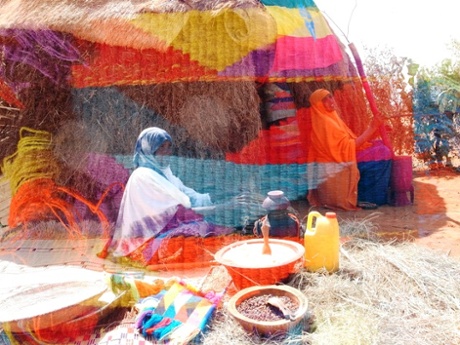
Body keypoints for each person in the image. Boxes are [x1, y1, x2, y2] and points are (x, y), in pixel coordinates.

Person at [106, 127, 233, 265]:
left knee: (209, 228)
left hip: (164, 229)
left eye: (169, 147)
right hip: (145, 241)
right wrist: (223, 208)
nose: (168, 152)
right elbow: (181, 212)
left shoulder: (164, 172)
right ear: (150, 150)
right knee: (197, 231)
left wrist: (225, 196)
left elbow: (189, 195)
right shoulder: (143, 176)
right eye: (162, 147)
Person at [307, 88, 391, 211]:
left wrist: (375, 131)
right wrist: (372, 128)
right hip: (338, 164)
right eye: (325, 100)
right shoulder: (324, 123)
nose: (331, 100)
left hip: (343, 156)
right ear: (318, 105)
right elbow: (348, 147)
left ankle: (371, 192)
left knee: (378, 145)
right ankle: (368, 197)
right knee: (383, 152)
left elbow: (349, 142)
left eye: (330, 96)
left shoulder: (331, 117)